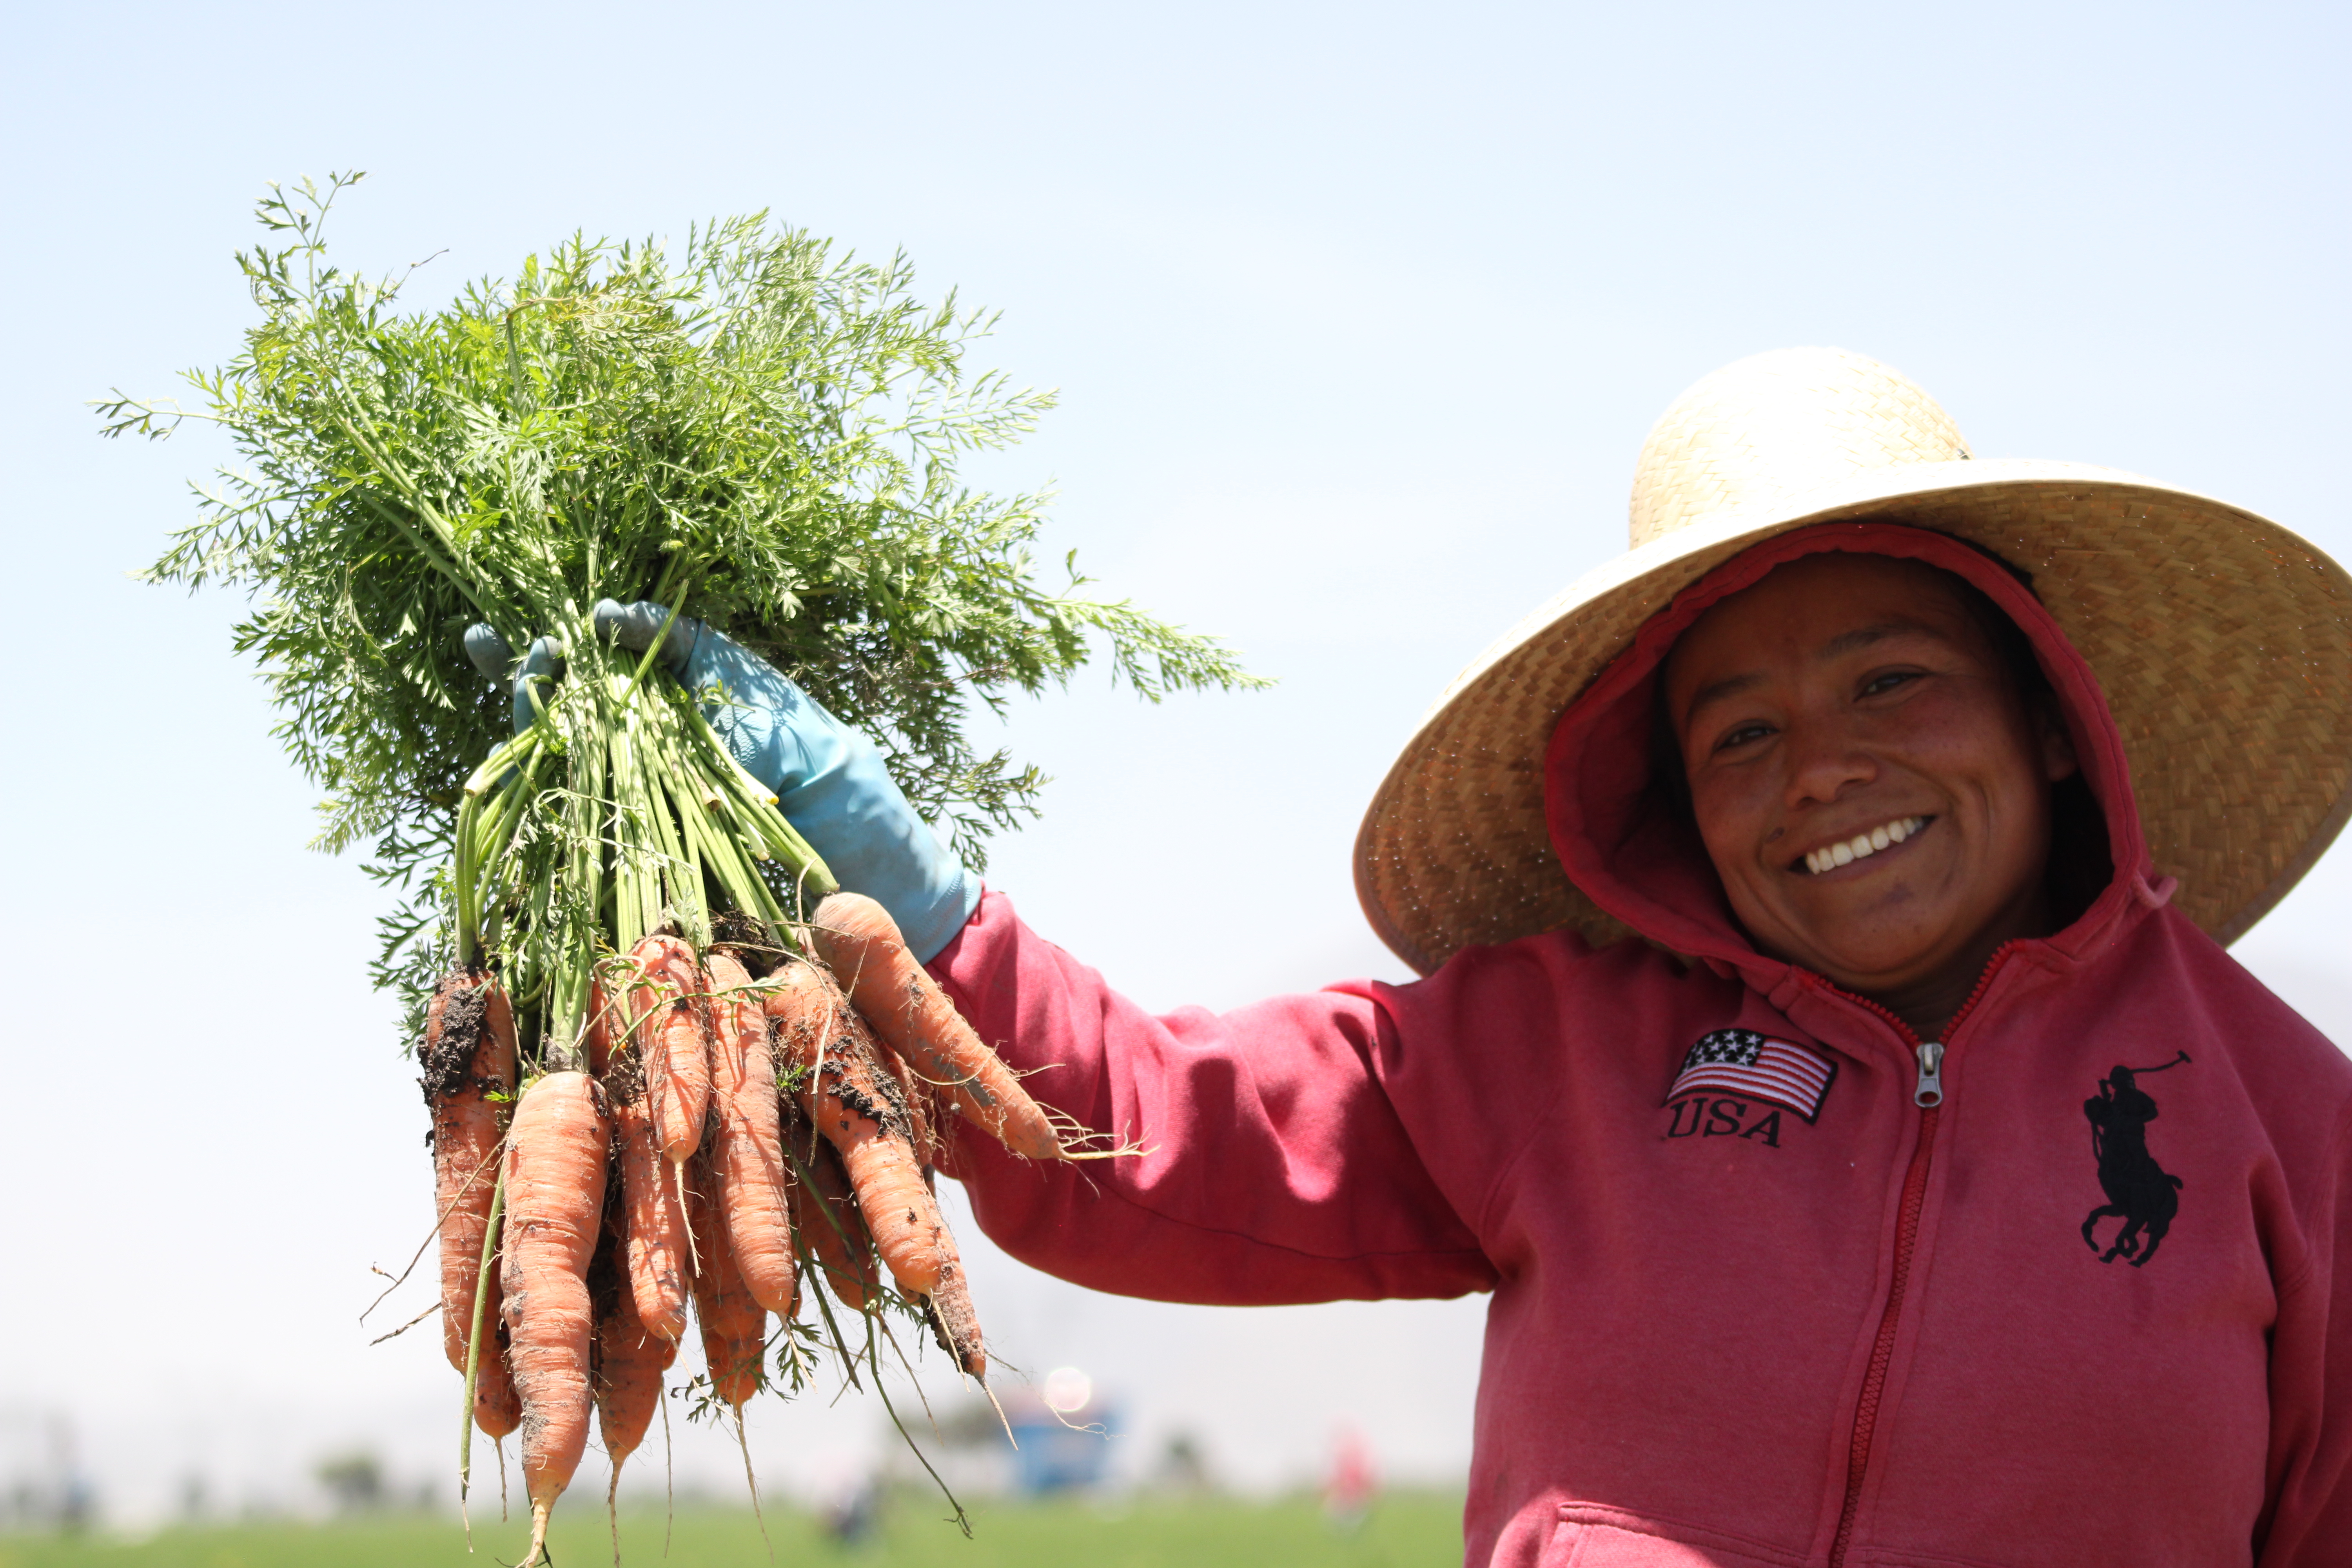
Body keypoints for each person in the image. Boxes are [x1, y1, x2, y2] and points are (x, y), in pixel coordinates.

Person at [470, 348, 2352, 1564]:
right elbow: (1145, 1135)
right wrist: (934, 914)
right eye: (1741, 736)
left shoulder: (2293, 1129)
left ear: (2045, 720)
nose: (1825, 770)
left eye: (1889, 681)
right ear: (1676, 812)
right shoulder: (1554, 1051)